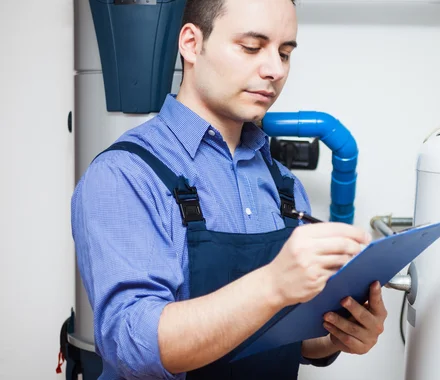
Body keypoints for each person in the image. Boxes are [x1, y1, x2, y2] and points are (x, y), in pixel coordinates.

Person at [71, 0, 388, 378]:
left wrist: (338, 335)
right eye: (252, 47)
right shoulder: (125, 174)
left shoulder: (284, 184)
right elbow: (131, 347)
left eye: (285, 53)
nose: (274, 70)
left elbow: (287, 336)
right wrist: (272, 284)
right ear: (191, 43)